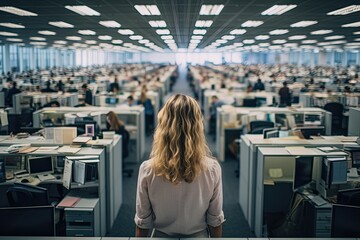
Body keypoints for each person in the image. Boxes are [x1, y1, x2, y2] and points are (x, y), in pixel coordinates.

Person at [135, 94, 224, 237]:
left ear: (163, 125)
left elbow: (142, 222)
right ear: (197, 126)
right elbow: (215, 221)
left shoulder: (148, 169)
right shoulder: (212, 168)